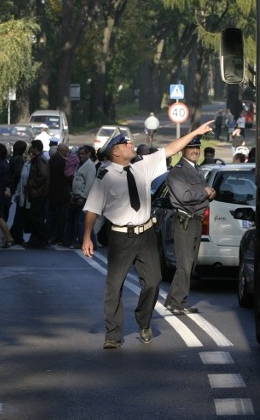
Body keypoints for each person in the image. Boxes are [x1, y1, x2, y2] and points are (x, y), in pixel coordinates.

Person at [81, 120, 214, 349]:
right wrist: (87, 237)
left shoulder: (143, 166)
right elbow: (92, 209)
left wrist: (195, 131)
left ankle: (144, 321)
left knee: (153, 282)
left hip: (146, 234)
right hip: (121, 236)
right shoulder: (105, 177)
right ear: (116, 152)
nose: (131, 144)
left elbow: (172, 148)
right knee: (114, 286)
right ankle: (113, 333)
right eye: (125, 143)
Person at [164, 136, 216, 315]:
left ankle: (172, 299)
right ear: (182, 150)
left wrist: (209, 193)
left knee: (190, 264)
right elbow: (185, 196)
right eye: (191, 148)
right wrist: (205, 192)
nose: (195, 151)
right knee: (185, 264)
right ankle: (178, 303)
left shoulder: (197, 168)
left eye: (197, 148)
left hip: (196, 220)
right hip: (185, 221)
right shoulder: (177, 172)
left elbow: (198, 194)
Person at [64, 145, 97, 249]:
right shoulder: (80, 164)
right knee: (78, 220)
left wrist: (83, 196)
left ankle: (82, 241)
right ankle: (92, 243)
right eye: (79, 154)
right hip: (76, 196)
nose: (80, 156)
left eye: (83, 154)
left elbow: (89, 183)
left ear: (88, 154)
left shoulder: (90, 166)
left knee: (81, 221)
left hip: (83, 197)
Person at [25, 139, 50, 248]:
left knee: (35, 216)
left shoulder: (40, 160)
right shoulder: (37, 159)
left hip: (39, 193)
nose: (31, 149)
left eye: (32, 147)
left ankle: (45, 235)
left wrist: (33, 185)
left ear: (36, 148)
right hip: (36, 192)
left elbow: (43, 176)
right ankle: (35, 240)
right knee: (35, 216)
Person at [48, 143, 71, 245]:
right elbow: (66, 175)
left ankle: (52, 236)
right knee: (60, 216)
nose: (68, 153)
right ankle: (57, 237)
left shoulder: (53, 159)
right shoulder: (61, 161)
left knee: (54, 216)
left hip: (54, 192)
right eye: (67, 151)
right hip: (61, 193)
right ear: (62, 151)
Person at [9, 140, 28, 245]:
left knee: (19, 213)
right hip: (18, 188)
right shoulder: (19, 159)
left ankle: (14, 233)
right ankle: (17, 235)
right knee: (20, 214)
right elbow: (18, 174)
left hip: (14, 187)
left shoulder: (13, 158)